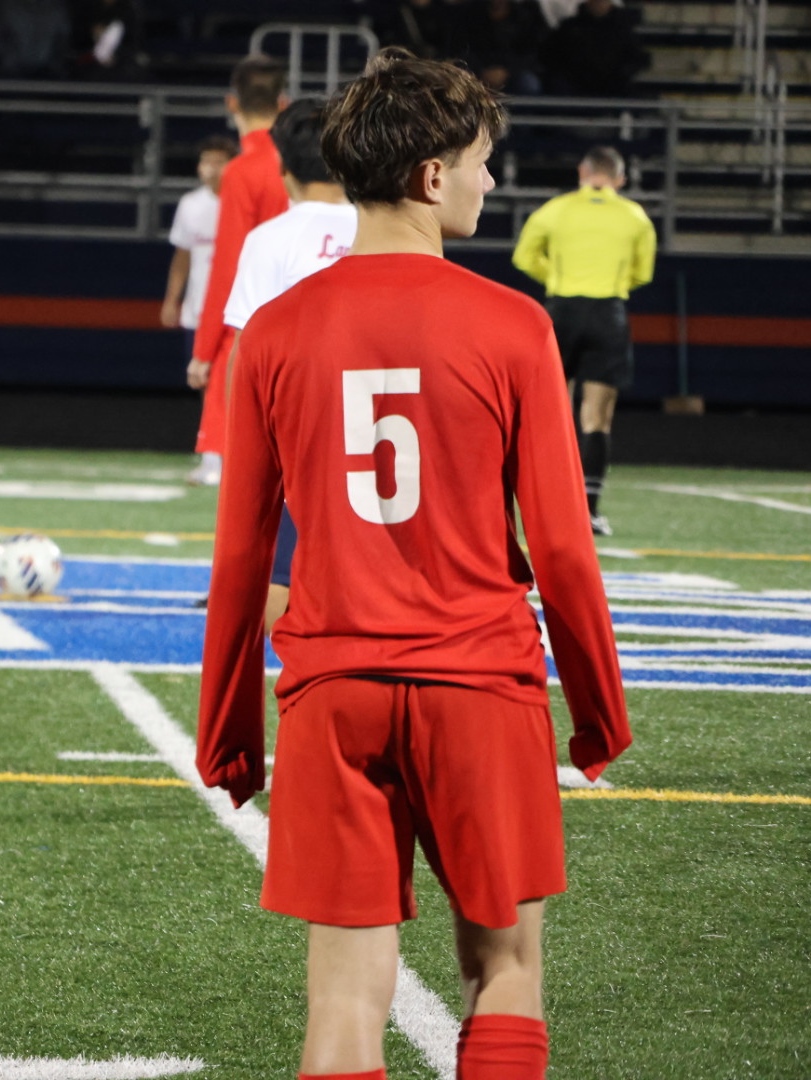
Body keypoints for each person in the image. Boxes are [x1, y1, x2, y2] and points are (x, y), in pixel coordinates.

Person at [197, 47, 630, 1080]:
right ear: (433, 174)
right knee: (506, 971)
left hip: (332, 690)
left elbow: (242, 552)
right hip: (481, 684)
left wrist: (227, 729)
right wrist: (598, 708)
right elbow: (563, 545)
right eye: (483, 162)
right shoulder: (515, 325)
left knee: (344, 996)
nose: (491, 182)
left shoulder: (273, 332)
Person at [220, 98, 358, 627]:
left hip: (298, 427)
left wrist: (243, 440)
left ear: (282, 165)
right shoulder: (379, 228)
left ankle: (279, 694)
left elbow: (247, 346)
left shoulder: (269, 238)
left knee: (279, 573)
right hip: (380, 422)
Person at [512, 145, 656, 536]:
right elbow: (643, 273)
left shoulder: (555, 210)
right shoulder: (634, 216)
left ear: (582, 172)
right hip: (608, 312)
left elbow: (524, 258)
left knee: (545, 410)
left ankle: (535, 507)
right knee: (596, 417)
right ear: (620, 179)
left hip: (562, 312)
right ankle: (589, 512)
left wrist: (558, 280)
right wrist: (609, 285)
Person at [186, 55, 290, 486]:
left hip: (252, 323)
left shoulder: (243, 171)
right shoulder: (305, 163)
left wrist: (203, 349)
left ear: (232, 103)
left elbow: (229, 265)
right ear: (283, 103)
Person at [162, 135, 237, 484]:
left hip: (235, 307)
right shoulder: (191, 204)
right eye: (205, 160)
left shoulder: (241, 201)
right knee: (206, 382)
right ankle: (212, 457)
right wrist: (171, 299)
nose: (210, 168)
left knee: (230, 383)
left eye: (218, 161)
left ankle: (223, 459)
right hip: (199, 307)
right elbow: (182, 256)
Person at [540, 0, 648, 97]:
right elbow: (550, 55)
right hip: (574, 82)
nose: (599, 4)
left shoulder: (622, 29)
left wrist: (619, 74)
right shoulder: (570, 27)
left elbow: (636, 58)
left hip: (611, 83)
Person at [451, 0, 547, 94]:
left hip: (514, 71)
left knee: (528, 83)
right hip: (477, 70)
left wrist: (506, 71)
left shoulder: (526, 13)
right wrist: (482, 71)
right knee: (457, 80)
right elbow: (461, 48)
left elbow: (532, 52)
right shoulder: (470, 13)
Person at [0, 0, 71, 79]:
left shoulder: (56, 8)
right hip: (12, 74)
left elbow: (62, 41)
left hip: (49, 74)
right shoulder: (5, 7)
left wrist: (54, 65)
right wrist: (10, 62)